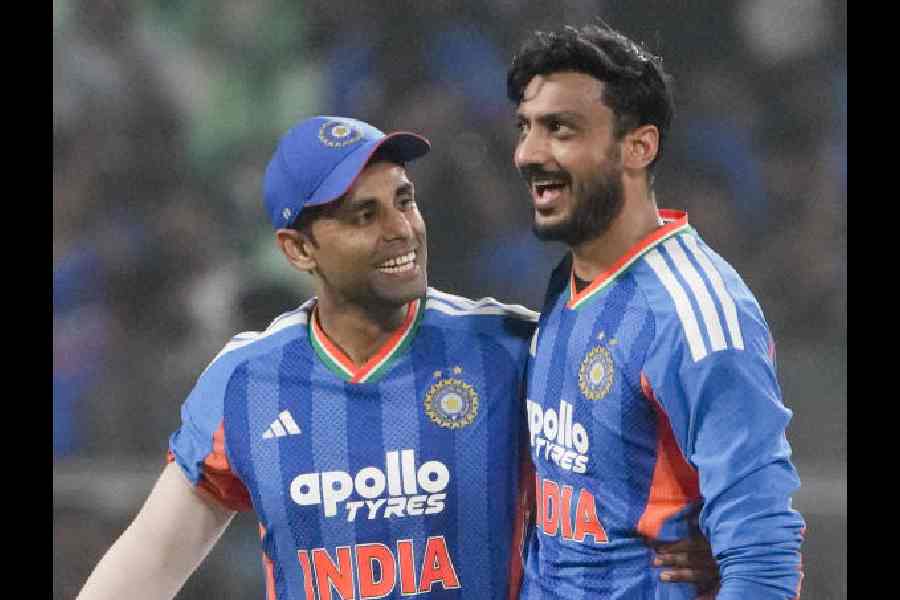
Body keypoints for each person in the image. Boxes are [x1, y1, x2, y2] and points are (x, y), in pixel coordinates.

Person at [507, 22, 806, 599]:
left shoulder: (695, 313)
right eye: (525, 128)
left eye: (559, 129)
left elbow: (763, 554)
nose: (527, 154)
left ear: (638, 147)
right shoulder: (567, 285)